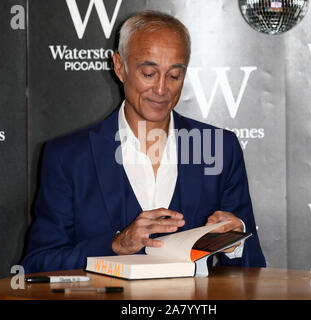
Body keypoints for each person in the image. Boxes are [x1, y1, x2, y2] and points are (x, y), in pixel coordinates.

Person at [22, 10, 265, 273]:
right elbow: (37, 264)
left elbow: (252, 272)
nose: (161, 90)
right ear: (119, 67)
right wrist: (116, 244)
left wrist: (235, 240)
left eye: (174, 76)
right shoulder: (68, 157)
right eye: (149, 73)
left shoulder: (220, 148)